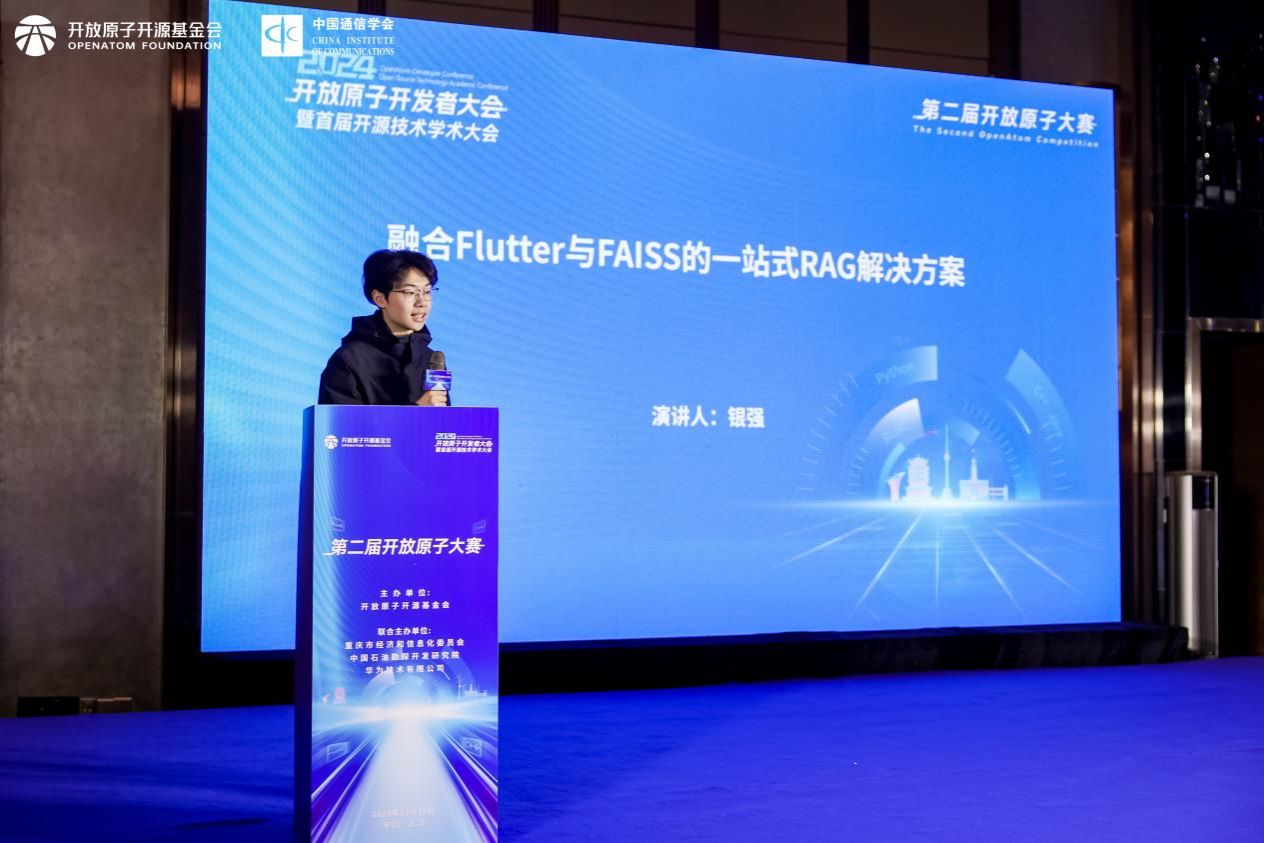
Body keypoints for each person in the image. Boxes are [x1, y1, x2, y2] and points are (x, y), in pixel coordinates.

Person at [318, 249, 449, 406]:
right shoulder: (348, 360)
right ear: (380, 299)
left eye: (427, 291)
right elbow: (341, 422)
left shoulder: (430, 359)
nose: (422, 302)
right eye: (410, 292)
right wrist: (417, 411)